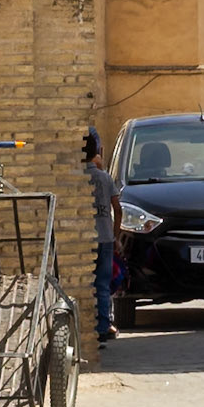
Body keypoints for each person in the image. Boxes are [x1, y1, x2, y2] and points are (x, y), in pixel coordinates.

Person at [84, 131, 121, 342]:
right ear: (96, 152)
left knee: (86, 285)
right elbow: (118, 208)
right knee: (103, 285)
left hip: (85, 241)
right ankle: (102, 327)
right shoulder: (105, 178)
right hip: (105, 238)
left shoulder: (76, 178)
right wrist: (115, 235)